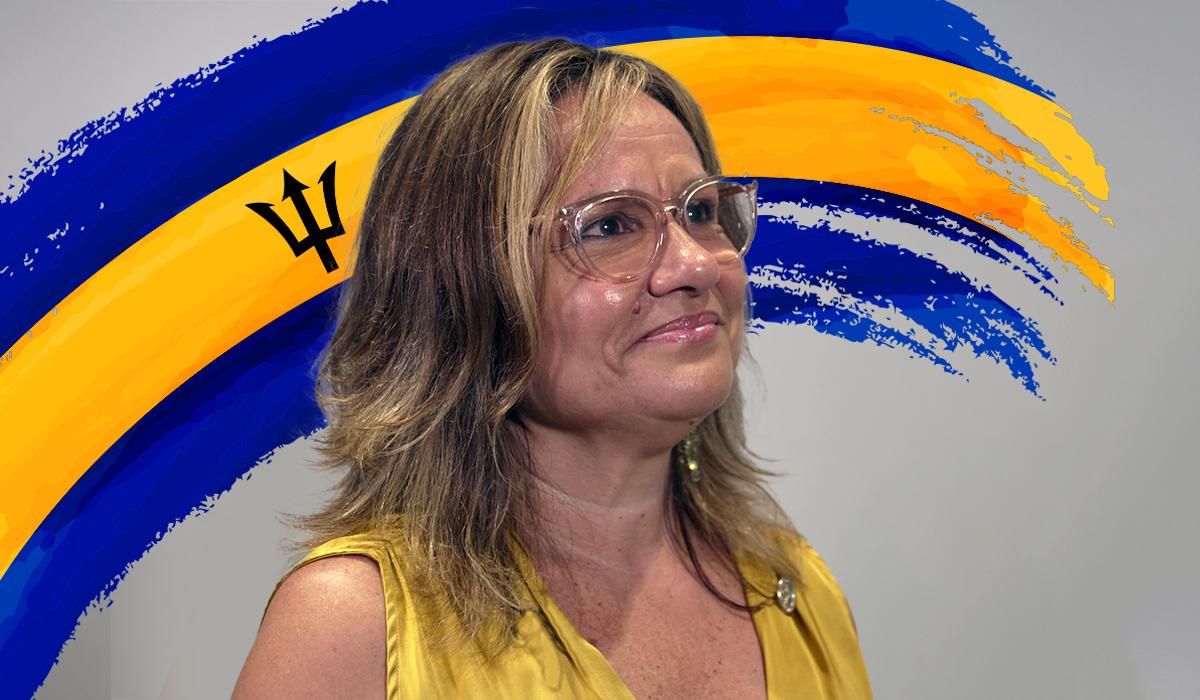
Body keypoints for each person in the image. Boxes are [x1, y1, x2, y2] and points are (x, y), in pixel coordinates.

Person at [232, 38, 871, 699]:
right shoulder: (352, 624)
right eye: (611, 225)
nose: (696, 264)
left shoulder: (797, 589)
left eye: (701, 212)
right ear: (464, 287)